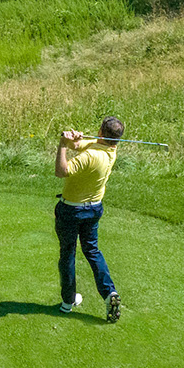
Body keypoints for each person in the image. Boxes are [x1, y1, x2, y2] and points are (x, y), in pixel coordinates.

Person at [54, 117, 123, 322]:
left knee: (68, 253)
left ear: (101, 132)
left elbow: (61, 171)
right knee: (92, 251)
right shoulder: (109, 149)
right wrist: (73, 140)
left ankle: (68, 301)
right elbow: (78, 145)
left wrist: (62, 145)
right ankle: (109, 293)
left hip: (71, 210)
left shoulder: (92, 155)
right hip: (94, 209)